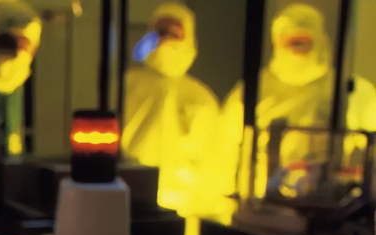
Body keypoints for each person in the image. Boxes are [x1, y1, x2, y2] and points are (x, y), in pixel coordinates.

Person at [219, 3, 376, 200]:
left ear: (319, 39)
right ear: (276, 41)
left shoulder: (352, 92)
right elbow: (223, 155)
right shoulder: (253, 92)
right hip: (264, 204)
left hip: (332, 203)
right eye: (291, 40)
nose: (297, 47)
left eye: (303, 40)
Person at [122, 2, 230, 219]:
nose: (165, 40)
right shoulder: (126, 86)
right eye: (160, 32)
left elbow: (215, 166)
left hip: (185, 209)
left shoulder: (201, 99)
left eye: (173, 33)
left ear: (188, 39)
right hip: (131, 202)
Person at [0, 0, 42, 155]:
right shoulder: (3, 19)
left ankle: (9, 155)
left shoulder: (29, 25)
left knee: (10, 129)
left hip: (8, 81)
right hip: (0, 80)